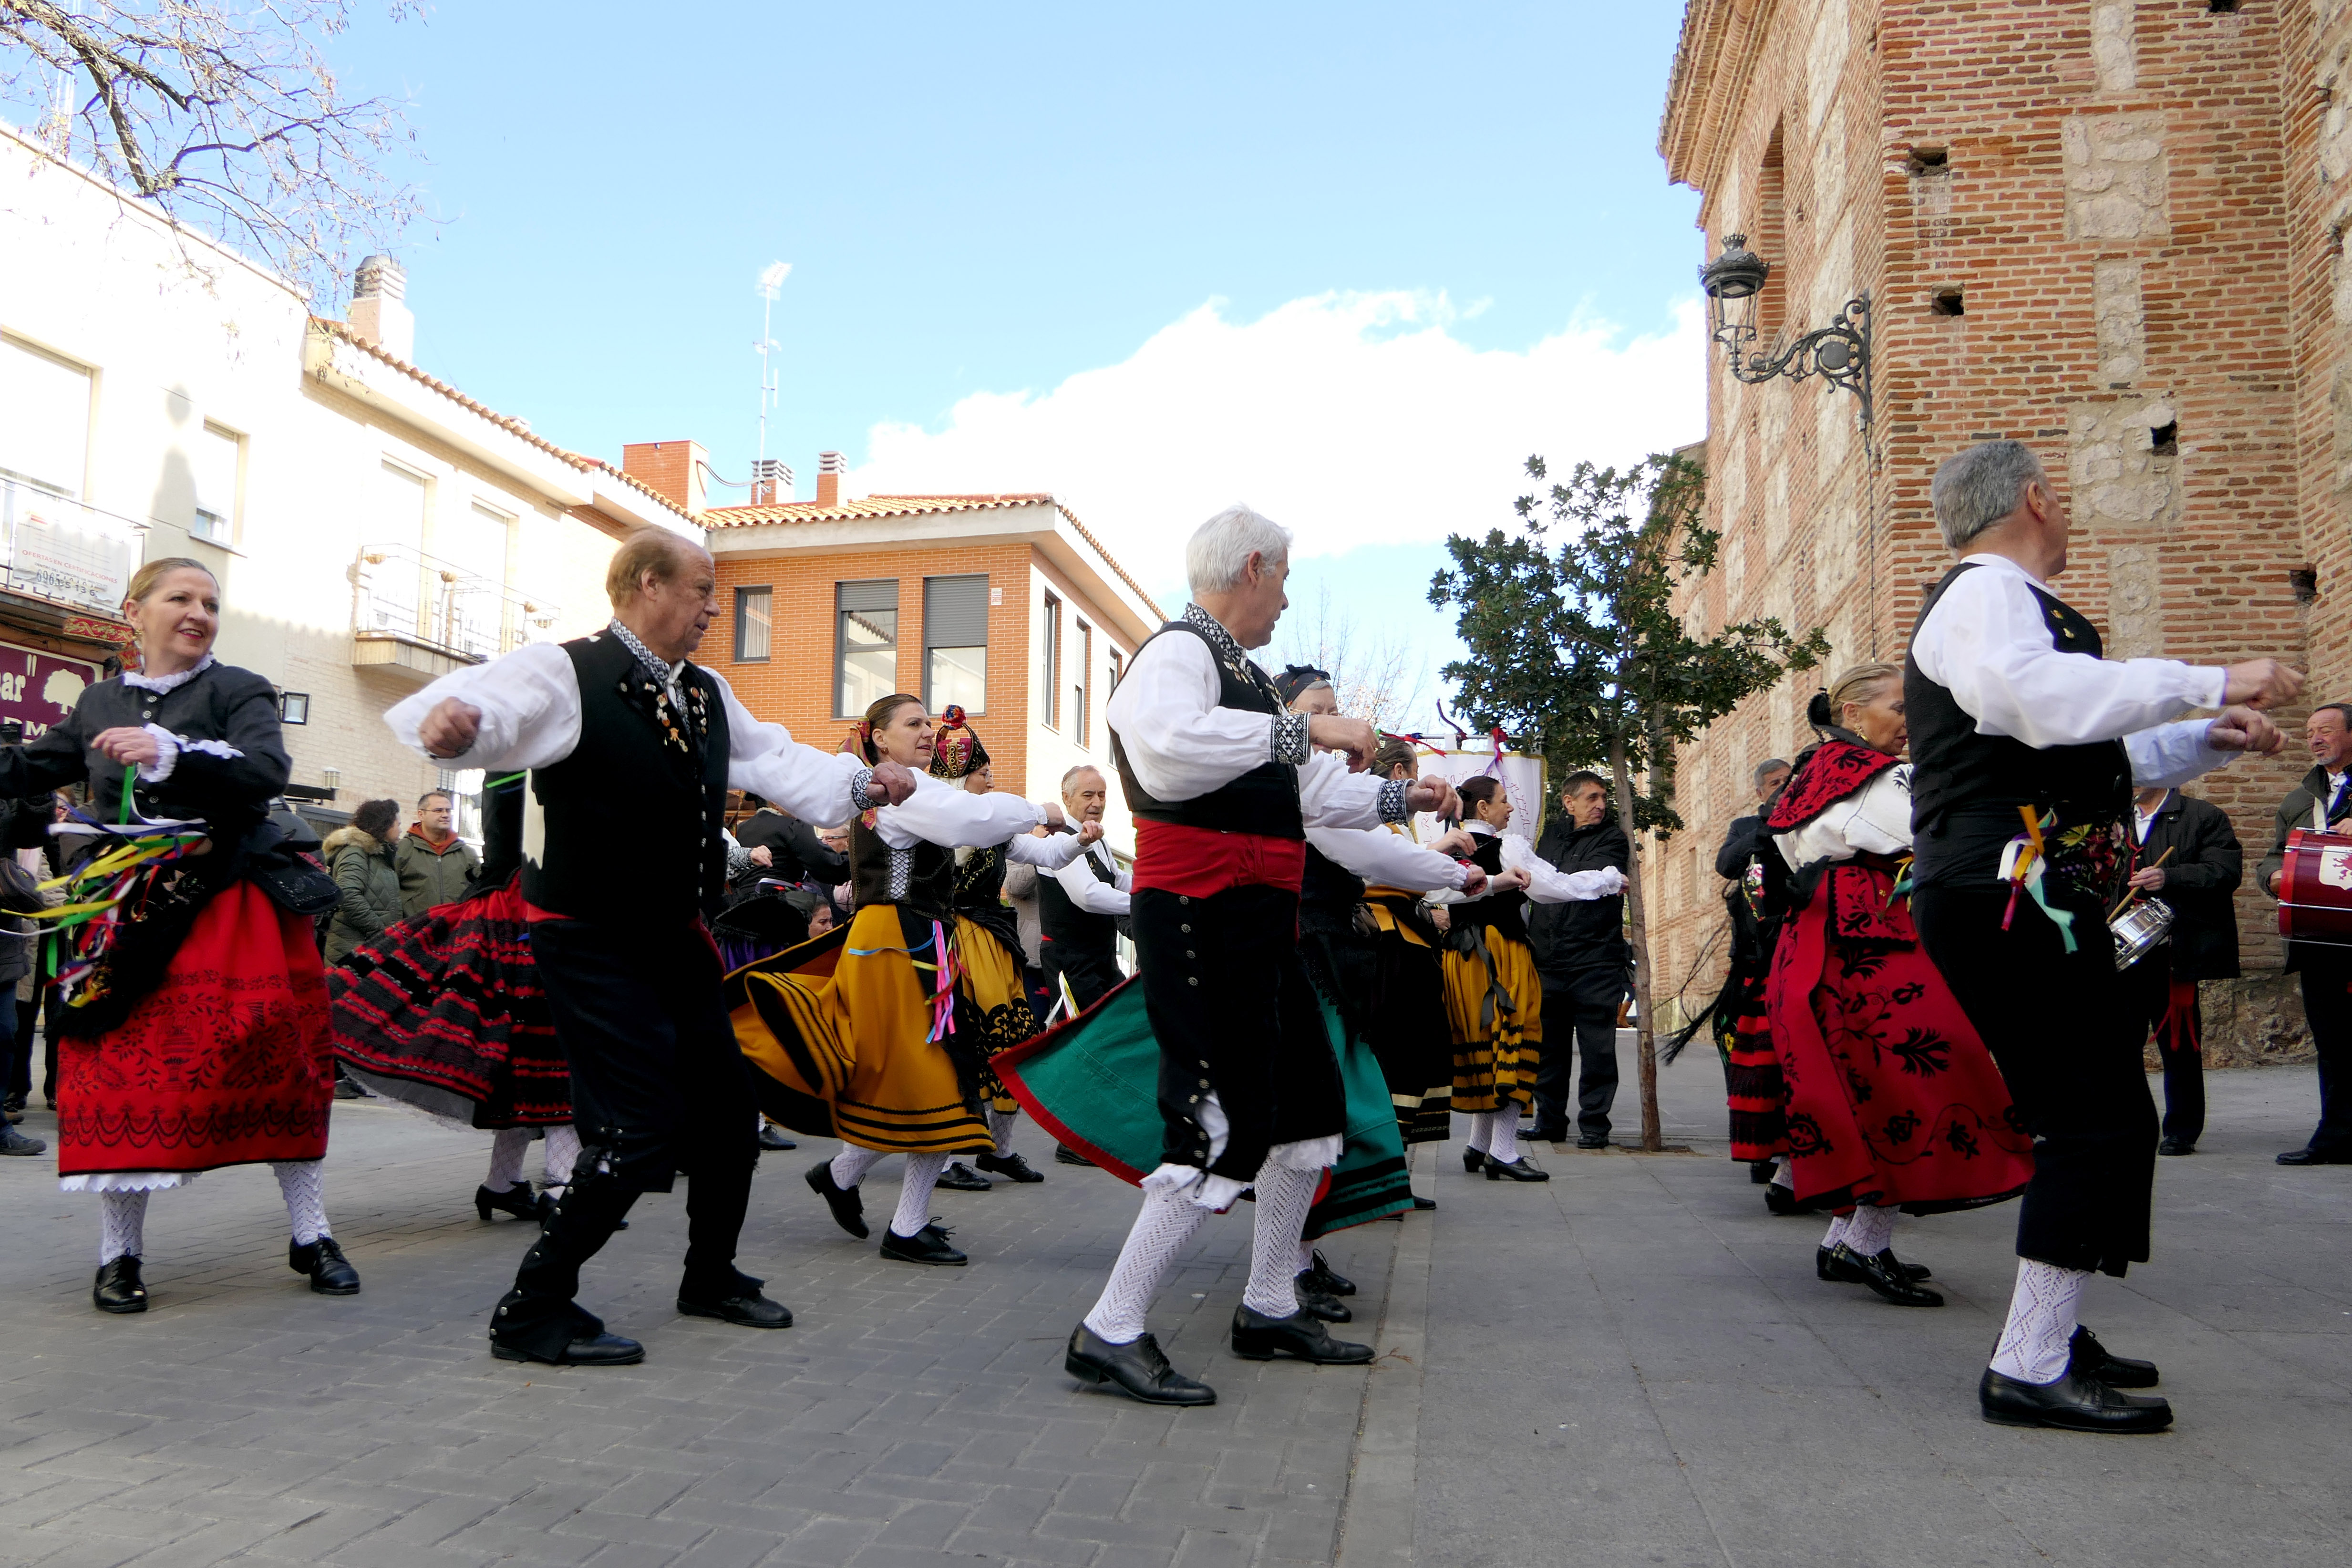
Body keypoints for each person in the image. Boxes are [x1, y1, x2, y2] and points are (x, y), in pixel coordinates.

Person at [389, 528, 922, 1367]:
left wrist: (864, 781)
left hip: (673, 933)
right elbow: (486, 713)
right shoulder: (568, 668)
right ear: (647, 584)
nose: (716, 607)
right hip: (587, 934)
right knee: (639, 1128)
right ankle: (532, 1307)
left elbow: (775, 759)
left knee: (726, 1115)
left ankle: (710, 1275)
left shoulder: (704, 692)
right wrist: (454, 728)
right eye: (704, 590)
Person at [1904, 439, 2299, 1433]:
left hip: (2020, 885)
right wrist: (2211, 678)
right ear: (2036, 498)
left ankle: (2052, 1332)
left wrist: (2200, 736)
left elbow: (2081, 742)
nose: (2069, 514)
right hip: (2012, 889)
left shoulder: (2001, 605)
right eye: (2064, 499)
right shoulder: (1987, 594)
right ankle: (2029, 1362)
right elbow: (2037, 703)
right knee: (2095, 1116)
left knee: (2102, 1109)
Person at [1057, 504, 1458, 1406]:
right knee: (1218, 1121)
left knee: (1309, 1114)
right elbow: (1163, 751)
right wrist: (1303, 730)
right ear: (1252, 567)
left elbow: (1309, 799)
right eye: (1282, 578)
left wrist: (1399, 795)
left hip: (1254, 923)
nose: (1285, 599)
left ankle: (1269, 1301)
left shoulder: (1242, 673)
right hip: (1199, 917)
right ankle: (1109, 1327)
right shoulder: (1177, 652)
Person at [0, 557, 355, 1312]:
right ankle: (119, 1255)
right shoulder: (99, 700)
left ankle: (312, 1232)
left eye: (211, 603)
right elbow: (34, 767)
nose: (199, 613)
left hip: (226, 900)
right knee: (119, 1075)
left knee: (279, 1062)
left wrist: (169, 753)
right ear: (135, 612)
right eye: (180, 598)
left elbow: (264, 769)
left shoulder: (239, 689)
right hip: (120, 910)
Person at [731, 694, 1086, 1264]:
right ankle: (901, 1221)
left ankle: (849, 1180)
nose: (927, 733)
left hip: (910, 942)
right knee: (939, 1078)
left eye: (928, 724)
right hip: (898, 945)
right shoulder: (902, 795)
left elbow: (1004, 837)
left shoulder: (917, 791)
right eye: (913, 724)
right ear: (877, 737)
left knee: (917, 1079)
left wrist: (1067, 834)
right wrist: (1042, 805)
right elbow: (972, 819)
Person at [1764, 666, 2035, 1308]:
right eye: (1898, 706)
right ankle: (1863, 1242)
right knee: (1921, 1078)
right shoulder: (1871, 774)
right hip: (1865, 941)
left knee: (1876, 1087)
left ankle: (1847, 1240)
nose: (1908, 721)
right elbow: (1927, 834)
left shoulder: (1826, 767)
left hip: (1836, 935)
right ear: (1854, 712)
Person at [330, 776, 587, 1226]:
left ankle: (503, 1184)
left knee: (530, 1060)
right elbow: (527, 838)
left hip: (525, 906)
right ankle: (562, 1184)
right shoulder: (525, 766)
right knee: (557, 1051)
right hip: (530, 911)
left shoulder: (519, 762)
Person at [1431, 775, 1625, 1180]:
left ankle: (1478, 1144)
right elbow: (1551, 886)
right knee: (1515, 1037)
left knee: (1484, 1039)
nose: (1512, 808)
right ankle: (1502, 1150)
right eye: (1504, 801)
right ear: (1483, 808)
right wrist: (1606, 879)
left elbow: (1436, 893)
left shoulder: (1449, 846)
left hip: (1461, 958)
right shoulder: (1508, 847)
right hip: (1501, 953)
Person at [932, 707, 1052, 1188]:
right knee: (964, 1046)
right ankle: (941, 1160)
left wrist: (1079, 842)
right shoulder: (939, 824)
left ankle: (999, 1149)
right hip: (956, 943)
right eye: (985, 773)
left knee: (1013, 1040)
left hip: (994, 944)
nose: (992, 780)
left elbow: (1045, 853)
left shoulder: (995, 830)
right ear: (964, 776)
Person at [1675, 758, 1797, 1197]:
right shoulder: (1747, 825)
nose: (1784, 787)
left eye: (1789, 781)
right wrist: (1766, 829)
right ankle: (1760, 1150)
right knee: (1745, 1056)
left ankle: (1789, 1153)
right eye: (1775, 784)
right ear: (1761, 792)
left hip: (1795, 952)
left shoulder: (1811, 817)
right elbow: (1727, 865)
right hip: (1751, 957)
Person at [2256, 702, 2352, 1166]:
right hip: (2320, 939)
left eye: (2326, 730)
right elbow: (2275, 856)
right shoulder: (2300, 800)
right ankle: (2336, 1136)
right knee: (2333, 1041)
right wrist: (2274, 877)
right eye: (2311, 731)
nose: (2315, 738)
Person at [2124, 784, 2240, 1156]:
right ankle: (2124, 1122)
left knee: (2179, 1043)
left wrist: (2168, 877)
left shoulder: (2204, 816)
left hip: (2174, 948)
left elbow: (2224, 871)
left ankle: (2181, 1130)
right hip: (2120, 948)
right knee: (2117, 1043)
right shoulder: (2114, 818)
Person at [1526, 772, 1632, 1148]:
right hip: (1548, 960)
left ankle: (1594, 1126)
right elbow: (1534, 881)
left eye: (1603, 796)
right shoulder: (1549, 836)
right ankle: (1550, 1122)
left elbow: (1583, 882)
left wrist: (1548, 879)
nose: (1601, 804)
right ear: (1569, 803)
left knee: (1598, 1049)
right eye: (1592, 797)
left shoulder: (1613, 838)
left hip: (1595, 962)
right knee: (1549, 1050)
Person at [1041, 765, 1130, 1012]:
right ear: (1067, 798)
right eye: (1088, 795)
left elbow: (1120, 880)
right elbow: (1087, 895)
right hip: (1071, 962)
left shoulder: (1100, 841)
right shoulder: (1059, 839)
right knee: (1090, 1039)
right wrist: (1142, 903)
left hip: (1103, 959)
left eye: (1102, 795)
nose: (1097, 803)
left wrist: (1162, 888)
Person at [323, 799, 403, 964]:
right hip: (351, 949)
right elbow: (348, 895)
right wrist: (380, 932)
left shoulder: (378, 856)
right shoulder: (356, 852)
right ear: (385, 825)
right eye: (398, 824)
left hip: (366, 948)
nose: (400, 830)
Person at [394, 789, 480, 916]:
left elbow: (480, 891)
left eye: (448, 811)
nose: (445, 815)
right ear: (421, 815)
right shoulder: (402, 849)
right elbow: (389, 895)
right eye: (438, 811)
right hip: (416, 929)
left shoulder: (467, 853)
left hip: (457, 930)